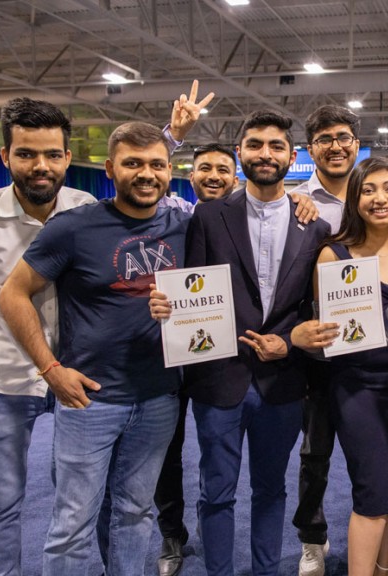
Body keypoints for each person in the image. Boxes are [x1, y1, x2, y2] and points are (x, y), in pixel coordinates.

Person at [0, 121, 191, 575]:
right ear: (110, 169)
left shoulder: (186, 225)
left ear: (170, 170)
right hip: (89, 400)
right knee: (72, 524)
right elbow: (12, 293)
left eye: (157, 165)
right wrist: (49, 369)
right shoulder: (75, 227)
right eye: (133, 164)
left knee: (134, 512)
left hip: (160, 396)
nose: (147, 174)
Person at [151, 109, 331, 576]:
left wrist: (289, 343)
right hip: (220, 378)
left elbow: (314, 310)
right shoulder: (209, 217)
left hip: (284, 382)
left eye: (275, 146)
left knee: (272, 491)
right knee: (216, 493)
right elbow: (192, 292)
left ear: (292, 156)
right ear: (241, 153)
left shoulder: (314, 225)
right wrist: (169, 308)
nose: (265, 154)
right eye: (255, 145)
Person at [291, 156, 388, 576]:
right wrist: (309, 334)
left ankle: (385, 568)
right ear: (355, 199)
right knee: (373, 494)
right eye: (368, 190)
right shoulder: (332, 255)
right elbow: (325, 331)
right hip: (358, 388)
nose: (379, 198)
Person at [0, 97, 95, 576]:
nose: (40, 166)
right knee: (2, 502)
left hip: (79, 377)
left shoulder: (84, 207)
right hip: (7, 380)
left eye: (51, 154)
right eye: (26, 154)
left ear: (67, 157)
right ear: (5, 157)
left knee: (77, 496)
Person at [153, 142, 239, 576]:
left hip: (216, 355)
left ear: (234, 178)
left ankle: (212, 525)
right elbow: (152, 166)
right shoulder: (170, 216)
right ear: (191, 177)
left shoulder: (245, 219)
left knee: (213, 448)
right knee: (166, 450)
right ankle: (171, 534)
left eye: (223, 169)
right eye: (205, 168)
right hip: (166, 351)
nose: (214, 175)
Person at [289, 104, 361, 576]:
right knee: (315, 454)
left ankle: (378, 529)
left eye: (344, 136)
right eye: (325, 139)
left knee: (373, 449)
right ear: (310, 148)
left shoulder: (377, 192)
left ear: (356, 141)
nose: (336, 145)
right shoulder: (293, 200)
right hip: (314, 346)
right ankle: (312, 539)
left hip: (370, 347)